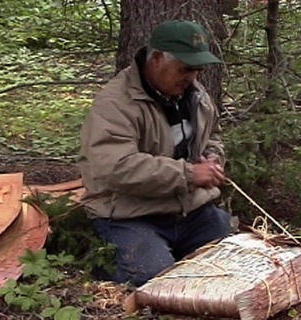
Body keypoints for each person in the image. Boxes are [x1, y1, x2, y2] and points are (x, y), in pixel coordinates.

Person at [77, 20, 232, 286]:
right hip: (131, 215)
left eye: (197, 70)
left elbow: (212, 136)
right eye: (185, 69)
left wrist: (213, 157)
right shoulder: (116, 103)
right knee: (154, 278)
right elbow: (116, 167)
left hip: (188, 211)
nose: (192, 77)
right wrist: (190, 174)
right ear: (158, 58)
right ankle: (103, 255)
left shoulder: (194, 94)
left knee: (232, 262)